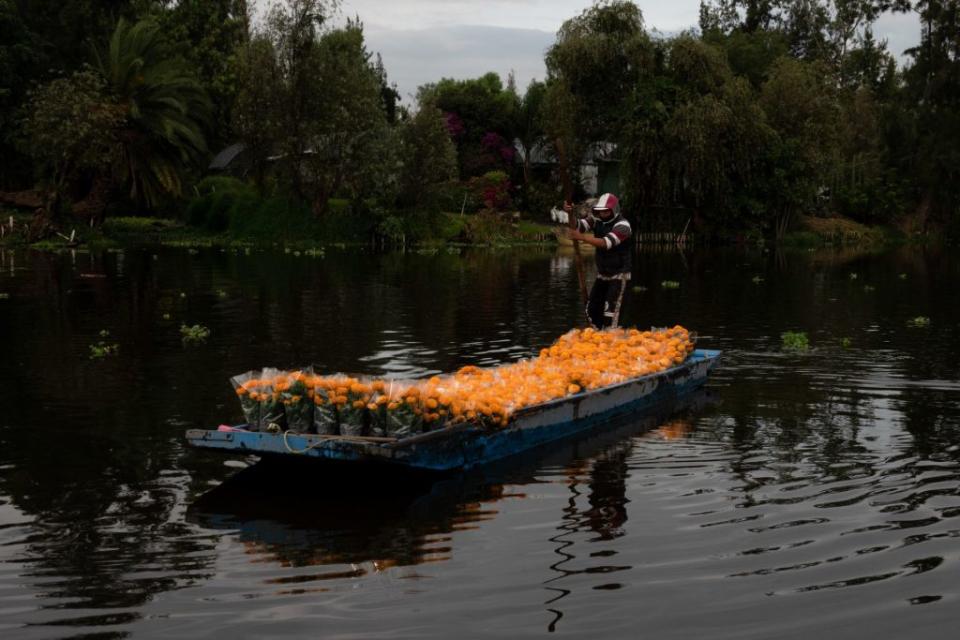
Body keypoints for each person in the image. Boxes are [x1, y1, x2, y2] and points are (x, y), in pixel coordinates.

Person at [564, 192, 632, 329]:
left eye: (606, 212)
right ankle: (597, 339)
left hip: (619, 275)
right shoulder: (596, 220)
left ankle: (612, 340)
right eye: (600, 212)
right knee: (592, 311)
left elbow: (606, 243)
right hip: (603, 274)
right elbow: (577, 226)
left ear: (614, 210)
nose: (602, 215)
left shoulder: (623, 225)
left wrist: (582, 238)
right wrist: (569, 213)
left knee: (610, 314)